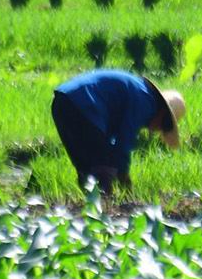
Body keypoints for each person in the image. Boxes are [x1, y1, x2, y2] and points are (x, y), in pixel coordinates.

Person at [51, 68, 186, 190]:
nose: (158, 130)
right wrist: (125, 180)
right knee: (104, 165)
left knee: (86, 166)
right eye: (165, 125)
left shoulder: (139, 92)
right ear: (162, 112)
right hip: (85, 104)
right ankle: (103, 207)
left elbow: (111, 138)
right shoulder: (146, 102)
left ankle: (92, 208)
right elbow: (124, 142)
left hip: (62, 101)